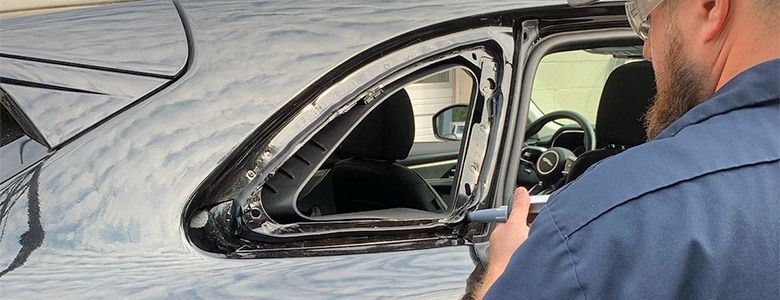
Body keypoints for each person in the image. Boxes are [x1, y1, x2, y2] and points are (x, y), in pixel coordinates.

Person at [475, 0, 779, 298]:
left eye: (648, 22)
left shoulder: (596, 227)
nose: (646, 50)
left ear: (710, 7)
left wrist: (504, 267)